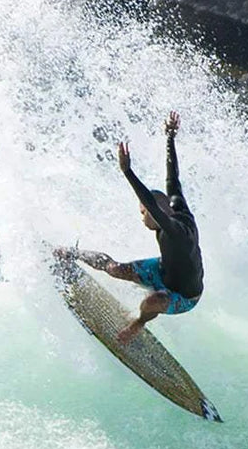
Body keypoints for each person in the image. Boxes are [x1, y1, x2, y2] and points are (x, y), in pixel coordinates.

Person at [55, 111, 203, 345]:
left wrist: (127, 171)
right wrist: (170, 138)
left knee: (153, 301)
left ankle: (138, 323)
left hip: (183, 296)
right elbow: (173, 178)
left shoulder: (175, 231)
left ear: (154, 212)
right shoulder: (177, 206)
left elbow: (152, 204)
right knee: (114, 268)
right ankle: (72, 253)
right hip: (162, 270)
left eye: (142, 213)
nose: (142, 218)